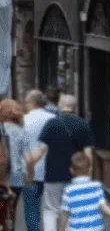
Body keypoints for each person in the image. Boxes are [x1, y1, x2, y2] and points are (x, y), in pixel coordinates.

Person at [26, 94, 94, 231]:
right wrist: (89, 175)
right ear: (75, 107)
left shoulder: (51, 124)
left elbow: (40, 151)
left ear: (59, 106)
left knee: (51, 210)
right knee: (72, 209)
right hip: (76, 175)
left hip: (53, 175)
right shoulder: (83, 125)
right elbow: (88, 154)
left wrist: (30, 167)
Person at [58, 152, 110, 231]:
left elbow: (64, 213)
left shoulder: (68, 190)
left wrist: (61, 229)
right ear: (90, 169)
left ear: (71, 170)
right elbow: (103, 206)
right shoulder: (96, 186)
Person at [23, 89, 56, 231]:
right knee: (51, 209)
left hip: (29, 169)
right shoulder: (53, 119)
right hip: (51, 170)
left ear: (31, 103)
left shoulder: (24, 120)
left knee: (31, 208)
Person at [0, 99, 33, 201]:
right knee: (12, 207)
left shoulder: (2, 130)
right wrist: (30, 176)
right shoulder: (22, 132)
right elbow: (28, 159)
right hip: (17, 177)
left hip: (2, 176)